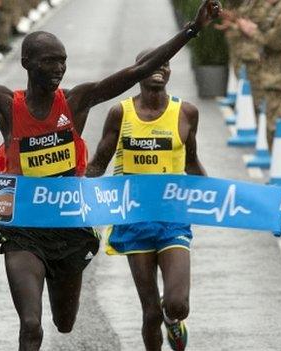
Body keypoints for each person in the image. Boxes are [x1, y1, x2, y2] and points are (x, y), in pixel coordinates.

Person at [0, 0, 220, 349]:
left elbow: (138, 71)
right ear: (28, 63)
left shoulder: (76, 102)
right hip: (24, 231)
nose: (59, 69)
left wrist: (192, 30)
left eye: (62, 62)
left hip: (68, 233)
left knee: (64, 323)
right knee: (31, 327)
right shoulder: (5, 104)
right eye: (50, 62)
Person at [86, 52, 204, 351]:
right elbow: (99, 163)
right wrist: (69, 191)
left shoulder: (185, 113)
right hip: (133, 220)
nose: (159, 69)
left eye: (164, 64)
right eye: (151, 64)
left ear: (169, 72)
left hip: (171, 218)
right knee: (150, 313)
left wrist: (226, 199)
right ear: (137, 72)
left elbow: (191, 164)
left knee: (177, 304)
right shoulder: (120, 114)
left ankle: (173, 320)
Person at [237, 0, 281, 149]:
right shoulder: (277, 10)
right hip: (275, 77)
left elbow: (275, 42)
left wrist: (252, 31)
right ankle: (280, 163)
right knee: (272, 125)